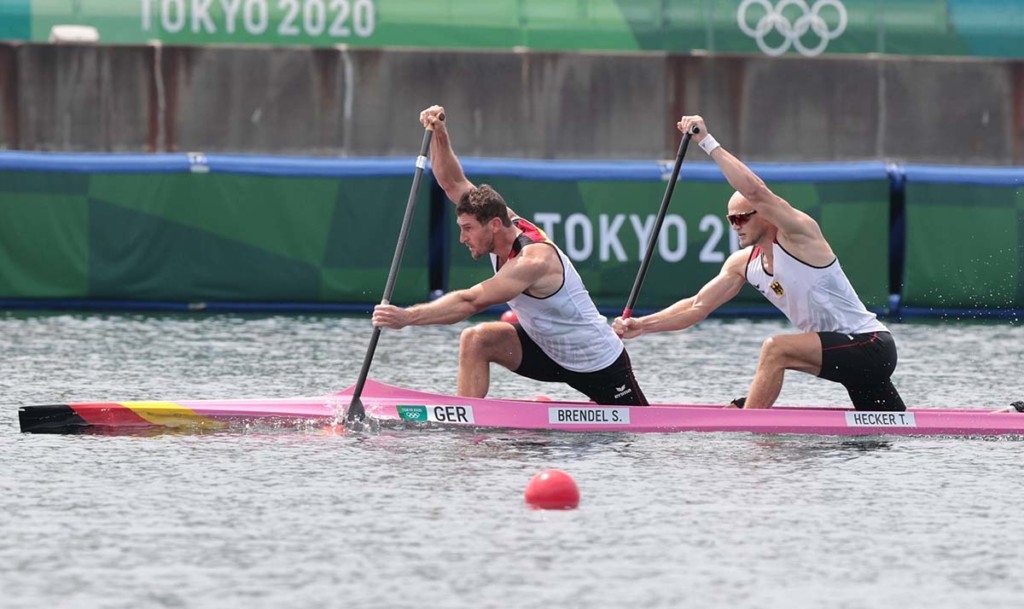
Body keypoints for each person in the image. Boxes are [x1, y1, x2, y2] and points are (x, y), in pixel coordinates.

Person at [613, 114, 906, 412]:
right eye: (731, 220)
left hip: (871, 345)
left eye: (741, 217)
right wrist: (642, 325)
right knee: (886, 435)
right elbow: (696, 307)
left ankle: (749, 425)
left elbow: (756, 191)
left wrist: (706, 142)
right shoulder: (743, 264)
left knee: (775, 349)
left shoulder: (800, 237)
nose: (735, 225)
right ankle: (750, 413)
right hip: (846, 357)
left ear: (764, 214)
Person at [372, 105, 648, 406]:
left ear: (493, 225)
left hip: (598, 364)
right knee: (477, 340)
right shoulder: (500, 222)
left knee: (632, 437)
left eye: (467, 229)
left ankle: (541, 412)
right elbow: (451, 183)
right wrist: (439, 132)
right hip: (546, 350)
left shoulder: (533, 261)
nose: (462, 238)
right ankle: (467, 422)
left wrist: (406, 317)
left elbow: (470, 301)